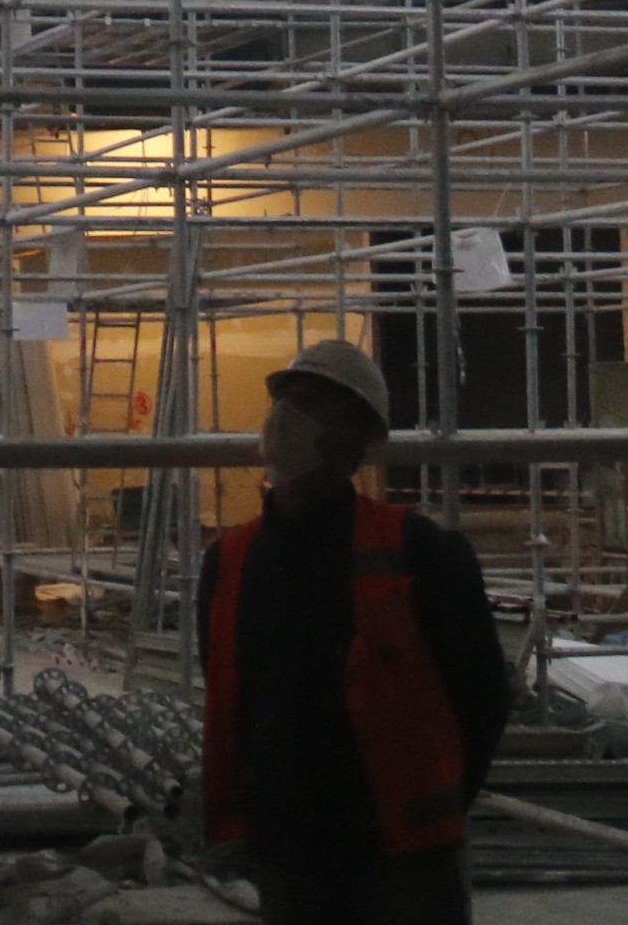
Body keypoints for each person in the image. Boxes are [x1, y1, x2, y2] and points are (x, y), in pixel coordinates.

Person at [198, 339, 511, 925]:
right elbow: (229, 687)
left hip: (398, 852)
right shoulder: (230, 560)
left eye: (312, 403)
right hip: (286, 845)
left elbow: (483, 696)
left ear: (360, 437)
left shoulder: (419, 550)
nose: (285, 419)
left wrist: (435, 806)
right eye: (284, 401)